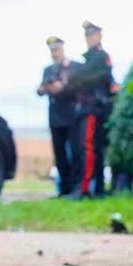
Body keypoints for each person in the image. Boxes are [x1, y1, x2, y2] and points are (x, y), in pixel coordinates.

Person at [66, 22, 114, 199]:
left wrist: (78, 77)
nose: (89, 38)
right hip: (89, 110)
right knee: (93, 149)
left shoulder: (100, 57)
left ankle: (85, 188)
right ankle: (97, 189)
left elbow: (87, 78)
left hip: (92, 109)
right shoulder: (88, 60)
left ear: (99, 36)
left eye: (92, 35)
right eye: (87, 35)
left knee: (88, 148)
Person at [36, 36, 76, 197]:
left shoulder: (71, 67)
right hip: (55, 118)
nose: (54, 53)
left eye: (56, 49)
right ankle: (63, 189)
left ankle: (74, 187)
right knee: (59, 155)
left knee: (73, 153)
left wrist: (61, 88)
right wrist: (45, 89)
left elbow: (74, 89)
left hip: (70, 117)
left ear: (62, 49)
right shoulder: (48, 70)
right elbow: (40, 89)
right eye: (52, 50)